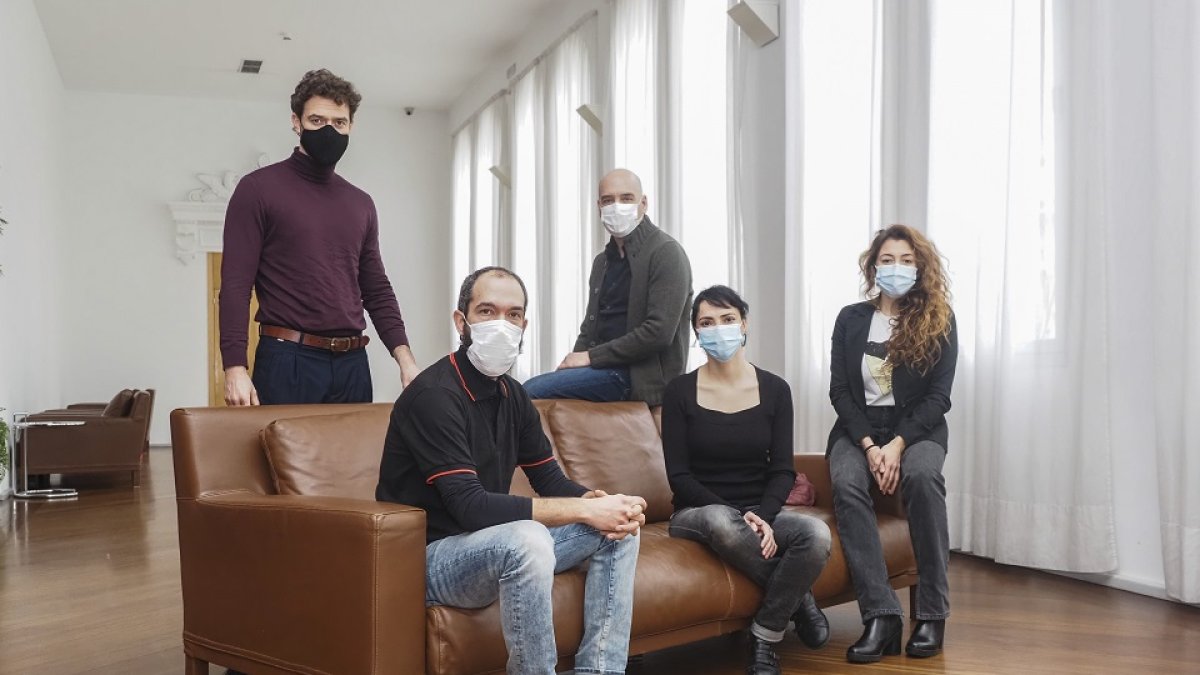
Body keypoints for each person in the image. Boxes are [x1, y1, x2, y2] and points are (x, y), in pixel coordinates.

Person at [376, 266, 646, 675]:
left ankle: (601, 671)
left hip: (487, 546)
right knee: (527, 539)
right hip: (427, 561)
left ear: (524, 325)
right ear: (461, 321)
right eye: (487, 311)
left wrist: (600, 502)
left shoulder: (513, 395)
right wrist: (582, 511)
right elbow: (471, 508)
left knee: (619, 529)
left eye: (513, 314)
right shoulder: (432, 396)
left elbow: (550, 480)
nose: (502, 324)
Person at [220, 68, 420, 407]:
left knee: (353, 461)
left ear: (351, 126)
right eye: (317, 120)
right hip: (288, 360)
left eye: (339, 122)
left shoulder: (360, 203)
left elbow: (376, 288)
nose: (329, 130)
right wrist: (234, 367)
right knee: (282, 462)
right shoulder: (257, 190)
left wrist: (405, 360)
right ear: (296, 122)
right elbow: (236, 285)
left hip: (353, 363)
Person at [661, 286, 832, 675]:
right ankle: (801, 601)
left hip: (760, 510)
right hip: (697, 513)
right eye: (706, 322)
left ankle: (766, 632)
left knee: (815, 536)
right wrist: (744, 516)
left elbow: (782, 470)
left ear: (744, 324)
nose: (717, 329)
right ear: (696, 333)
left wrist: (762, 515)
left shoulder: (775, 390)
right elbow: (679, 477)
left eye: (727, 319)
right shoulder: (679, 392)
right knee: (721, 519)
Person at [827, 225, 957, 663]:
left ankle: (932, 614)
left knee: (921, 476)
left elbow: (939, 398)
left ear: (919, 267)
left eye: (905, 260)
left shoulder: (939, 319)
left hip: (916, 428)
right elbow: (840, 392)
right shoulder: (851, 319)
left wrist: (898, 444)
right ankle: (880, 615)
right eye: (887, 259)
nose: (896, 268)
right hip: (860, 427)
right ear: (873, 266)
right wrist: (868, 445)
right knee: (846, 482)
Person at [523, 169, 692, 406]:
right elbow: (590, 328)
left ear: (643, 203)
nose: (617, 206)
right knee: (534, 390)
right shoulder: (602, 262)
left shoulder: (666, 252)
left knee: (530, 390)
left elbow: (659, 333)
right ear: (598, 206)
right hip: (603, 370)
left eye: (626, 198)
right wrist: (569, 365)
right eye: (608, 200)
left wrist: (589, 357)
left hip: (641, 377)